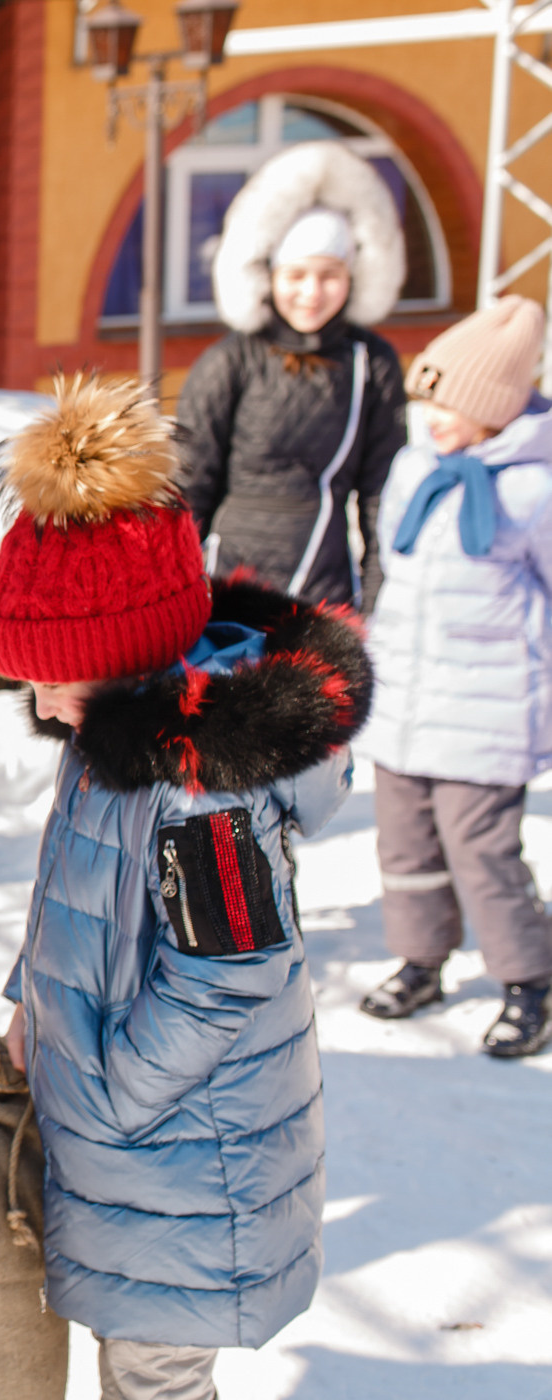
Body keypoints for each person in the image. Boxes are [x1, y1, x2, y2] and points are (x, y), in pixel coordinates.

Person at [0, 376, 371, 1398]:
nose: (41, 704)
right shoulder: (108, 744)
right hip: (145, 1148)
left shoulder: (203, 794)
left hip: (190, 1151)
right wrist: (31, 998)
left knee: (153, 1374)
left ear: (124, 654)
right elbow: (76, 895)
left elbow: (231, 971)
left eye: (53, 677)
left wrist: (118, 1086)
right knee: (133, 1356)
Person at [354, 295, 552, 1058]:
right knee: (404, 847)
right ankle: (421, 960)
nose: (431, 416)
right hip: (405, 703)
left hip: (487, 710)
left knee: (481, 851)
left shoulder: (533, 490)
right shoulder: (415, 470)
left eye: (450, 403)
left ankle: (528, 979)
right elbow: (392, 570)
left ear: (494, 407)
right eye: (426, 399)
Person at [179, 140, 410, 610]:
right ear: (270, 276)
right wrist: (174, 589)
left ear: (353, 276)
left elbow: (381, 495)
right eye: (296, 275)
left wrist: (377, 597)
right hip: (226, 587)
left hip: (323, 590)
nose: (312, 292)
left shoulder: (371, 363)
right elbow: (190, 487)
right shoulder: (230, 361)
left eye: (329, 275)